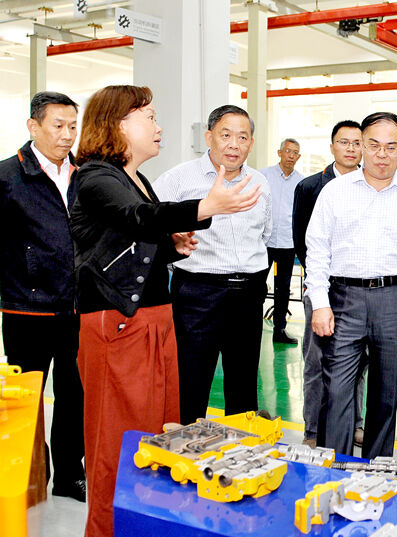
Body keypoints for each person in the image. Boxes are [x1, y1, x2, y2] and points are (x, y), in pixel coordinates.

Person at [70, 85, 260, 537]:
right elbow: (137, 218)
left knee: (155, 433)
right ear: (119, 125)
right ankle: (107, 528)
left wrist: (172, 246)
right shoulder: (95, 177)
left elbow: (129, 239)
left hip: (153, 320)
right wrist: (206, 207)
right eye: (149, 117)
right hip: (118, 322)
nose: (159, 127)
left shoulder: (134, 177)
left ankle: (143, 522)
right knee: (116, 438)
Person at [305, 112, 397, 458]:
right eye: (374, 145)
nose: (382, 154)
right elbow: (316, 251)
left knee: (385, 394)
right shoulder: (334, 192)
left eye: (391, 147)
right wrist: (320, 303)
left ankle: (377, 468)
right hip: (343, 299)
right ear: (362, 146)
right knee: (336, 390)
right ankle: (333, 466)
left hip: (395, 300)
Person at [154, 105, 272, 425]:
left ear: (251, 143)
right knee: (191, 379)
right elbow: (152, 226)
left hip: (248, 294)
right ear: (209, 137)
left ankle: (240, 450)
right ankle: (186, 446)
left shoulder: (260, 183)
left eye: (242, 137)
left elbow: (265, 234)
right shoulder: (177, 180)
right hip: (198, 293)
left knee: (244, 382)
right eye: (226, 135)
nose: (234, 144)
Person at [0, 91, 86, 501]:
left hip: (78, 308)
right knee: (28, 399)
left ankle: (69, 475)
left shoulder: (84, 175)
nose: (67, 135)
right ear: (33, 127)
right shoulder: (7, 178)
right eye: (58, 125)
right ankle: (33, 474)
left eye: (72, 126)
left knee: (74, 395)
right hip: (26, 309)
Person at [292, 120, 366, 448]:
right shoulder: (310, 187)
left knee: (358, 361)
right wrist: (319, 285)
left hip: (359, 290)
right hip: (321, 287)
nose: (350, 148)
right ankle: (312, 430)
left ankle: (355, 425)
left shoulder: (372, 184)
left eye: (356, 142)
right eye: (344, 142)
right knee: (316, 360)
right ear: (332, 146)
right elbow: (302, 241)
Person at [260, 138, 304, 344]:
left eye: (295, 153)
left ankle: (280, 329)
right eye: (288, 151)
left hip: (288, 242)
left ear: (299, 157)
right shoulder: (263, 176)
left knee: (283, 288)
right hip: (265, 241)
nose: (291, 156)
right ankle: (252, 327)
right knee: (257, 286)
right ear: (279, 153)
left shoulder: (301, 182)